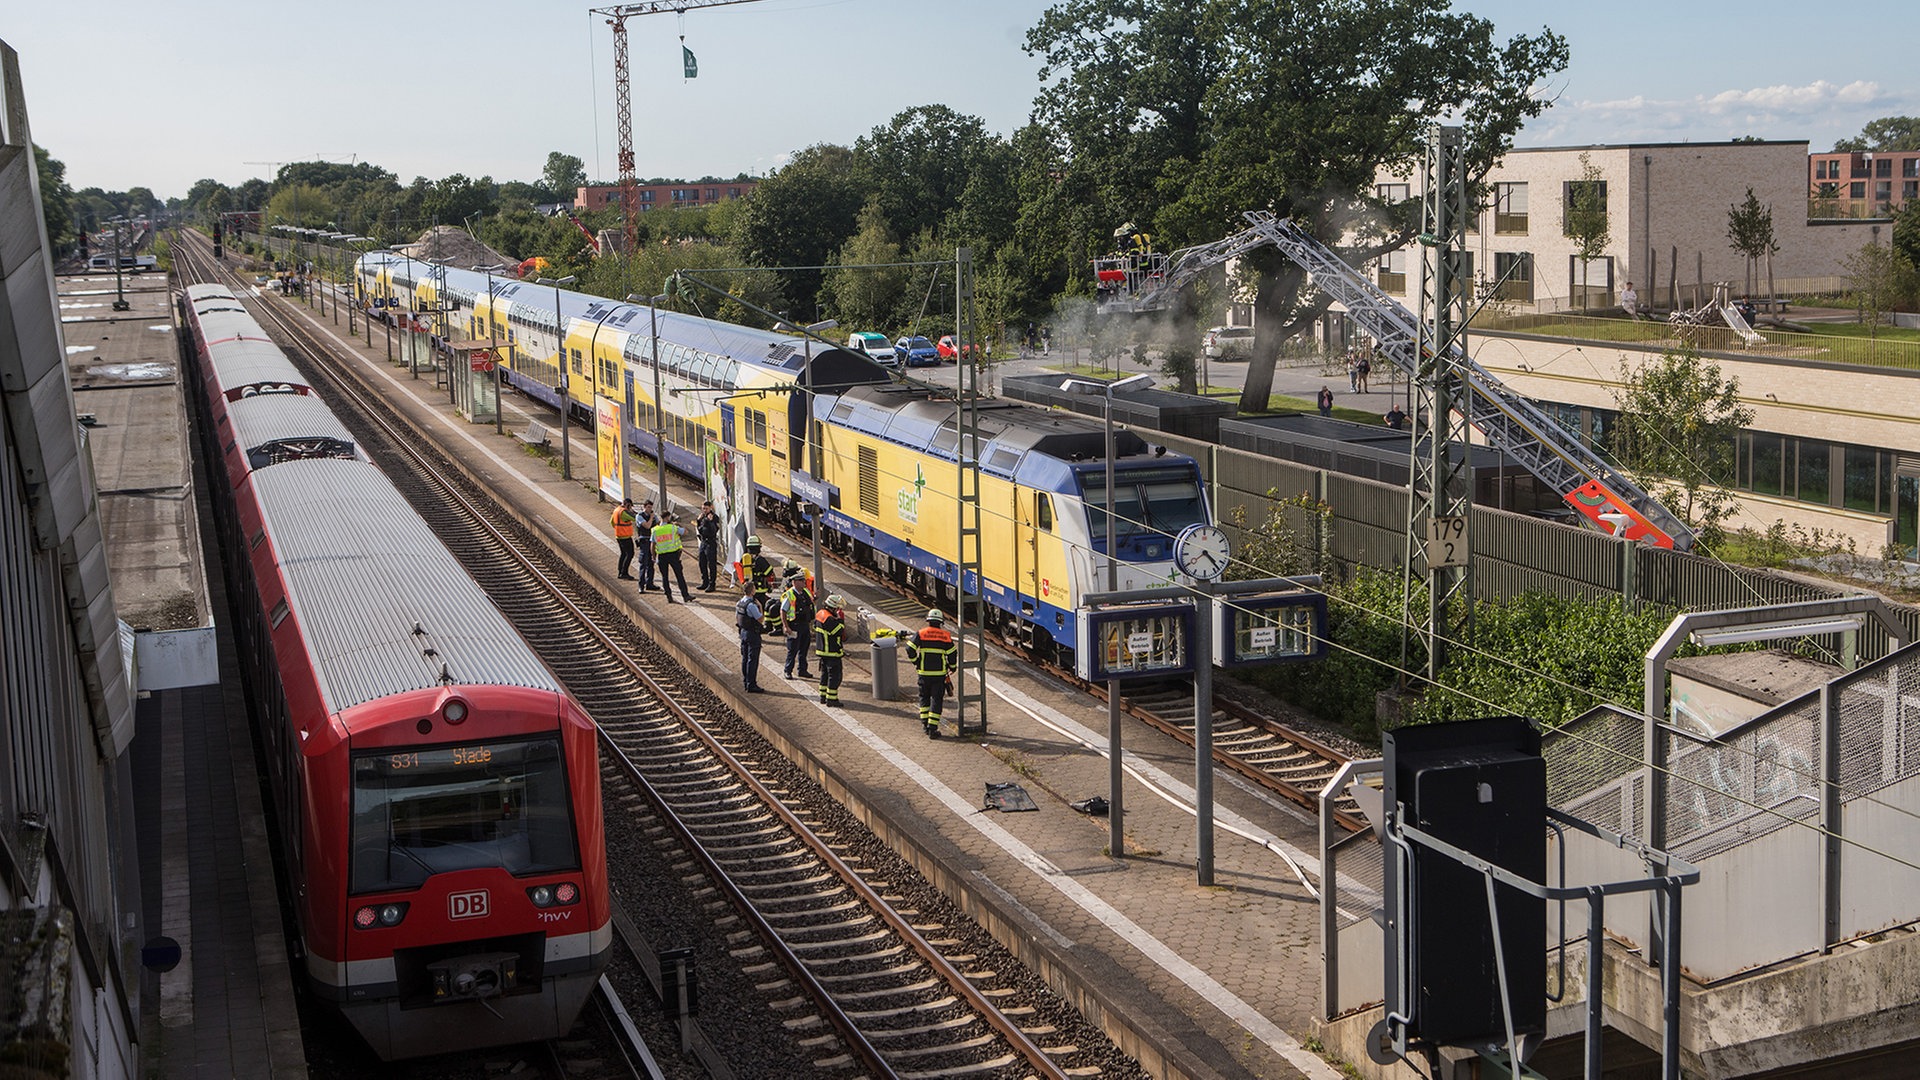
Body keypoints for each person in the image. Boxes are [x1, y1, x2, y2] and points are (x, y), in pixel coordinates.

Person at [905, 608, 956, 739]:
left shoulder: (921, 633)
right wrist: (953, 667)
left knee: (924, 699)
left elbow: (909, 648)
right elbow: (952, 654)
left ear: (928, 621)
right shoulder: (945, 636)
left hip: (923, 674)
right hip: (939, 675)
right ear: (940, 623)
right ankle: (933, 729)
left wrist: (916, 661)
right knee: (936, 701)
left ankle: (925, 726)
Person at [780, 565, 815, 680]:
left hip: (805, 625)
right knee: (793, 650)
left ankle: (802, 670)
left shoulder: (805, 592)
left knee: (804, 649)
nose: (804, 582)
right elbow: (783, 611)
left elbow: (810, 602)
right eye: (801, 581)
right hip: (794, 626)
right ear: (795, 582)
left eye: (803, 580)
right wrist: (786, 626)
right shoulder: (789, 595)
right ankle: (788, 670)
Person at [652, 510, 692, 603]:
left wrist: (654, 557)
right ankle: (685, 596)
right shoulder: (673, 528)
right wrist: (679, 525)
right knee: (679, 575)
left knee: (664, 577)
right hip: (674, 555)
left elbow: (652, 545)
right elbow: (685, 532)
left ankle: (669, 596)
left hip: (661, 556)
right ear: (667, 517)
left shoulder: (655, 530)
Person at [813, 594, 846, 706]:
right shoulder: (830, 619)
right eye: (838, 608)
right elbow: (838, 631)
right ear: (833, 607)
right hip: (831, 652)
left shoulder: (820, 614)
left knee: (824, 675)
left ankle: (823, 696)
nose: (838, 610)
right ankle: (832, 700)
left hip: (822, 651)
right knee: (834, 677)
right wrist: (840, 620)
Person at [733, 582, 766, 693]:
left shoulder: (739, 603)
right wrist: (761, 607)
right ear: (752, 591)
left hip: (743, 633)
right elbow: (760, 619)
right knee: (752, 660)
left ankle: (746, 681)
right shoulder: (751, 605)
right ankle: (751, 684)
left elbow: (737, 617)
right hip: (752, 634)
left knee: (745, 658)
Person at [695, 501, 721, 591]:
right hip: (703, 542)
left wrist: (709, 522)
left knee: (712, 564)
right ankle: (704, 581)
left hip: (710, 543)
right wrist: (698, 521)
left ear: (711, 507)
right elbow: (700, 529)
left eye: (706, 508)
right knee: (702, 563)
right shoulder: (702, 517)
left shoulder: (714, 518)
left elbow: (714, 531)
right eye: (703, 508)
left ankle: (712, 584)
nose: (704, 510)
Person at [634, 500, 658, 591]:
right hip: (644, 541)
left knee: (651, 563)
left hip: (652, 541)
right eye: (648, 507)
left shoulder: (653, 516)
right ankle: (641, 585)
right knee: (643, 564)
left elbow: (657, 524)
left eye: (651, 507)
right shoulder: (639, 516)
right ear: (644, 507)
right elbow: (647, 526)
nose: (650, 509)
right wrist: (651, 517)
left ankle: (650, 583)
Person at [610, 498, 637, 580]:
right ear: (628, 504)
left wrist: (618, 528)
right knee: (630, 554)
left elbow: (611, 522)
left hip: (618, 536)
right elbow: (635, 518)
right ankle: (624, 572)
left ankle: (620, 572)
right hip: (625, 537)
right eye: (630, 506)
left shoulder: (616, 510)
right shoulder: (624, 512)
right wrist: (632, 512)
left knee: (623, 554)